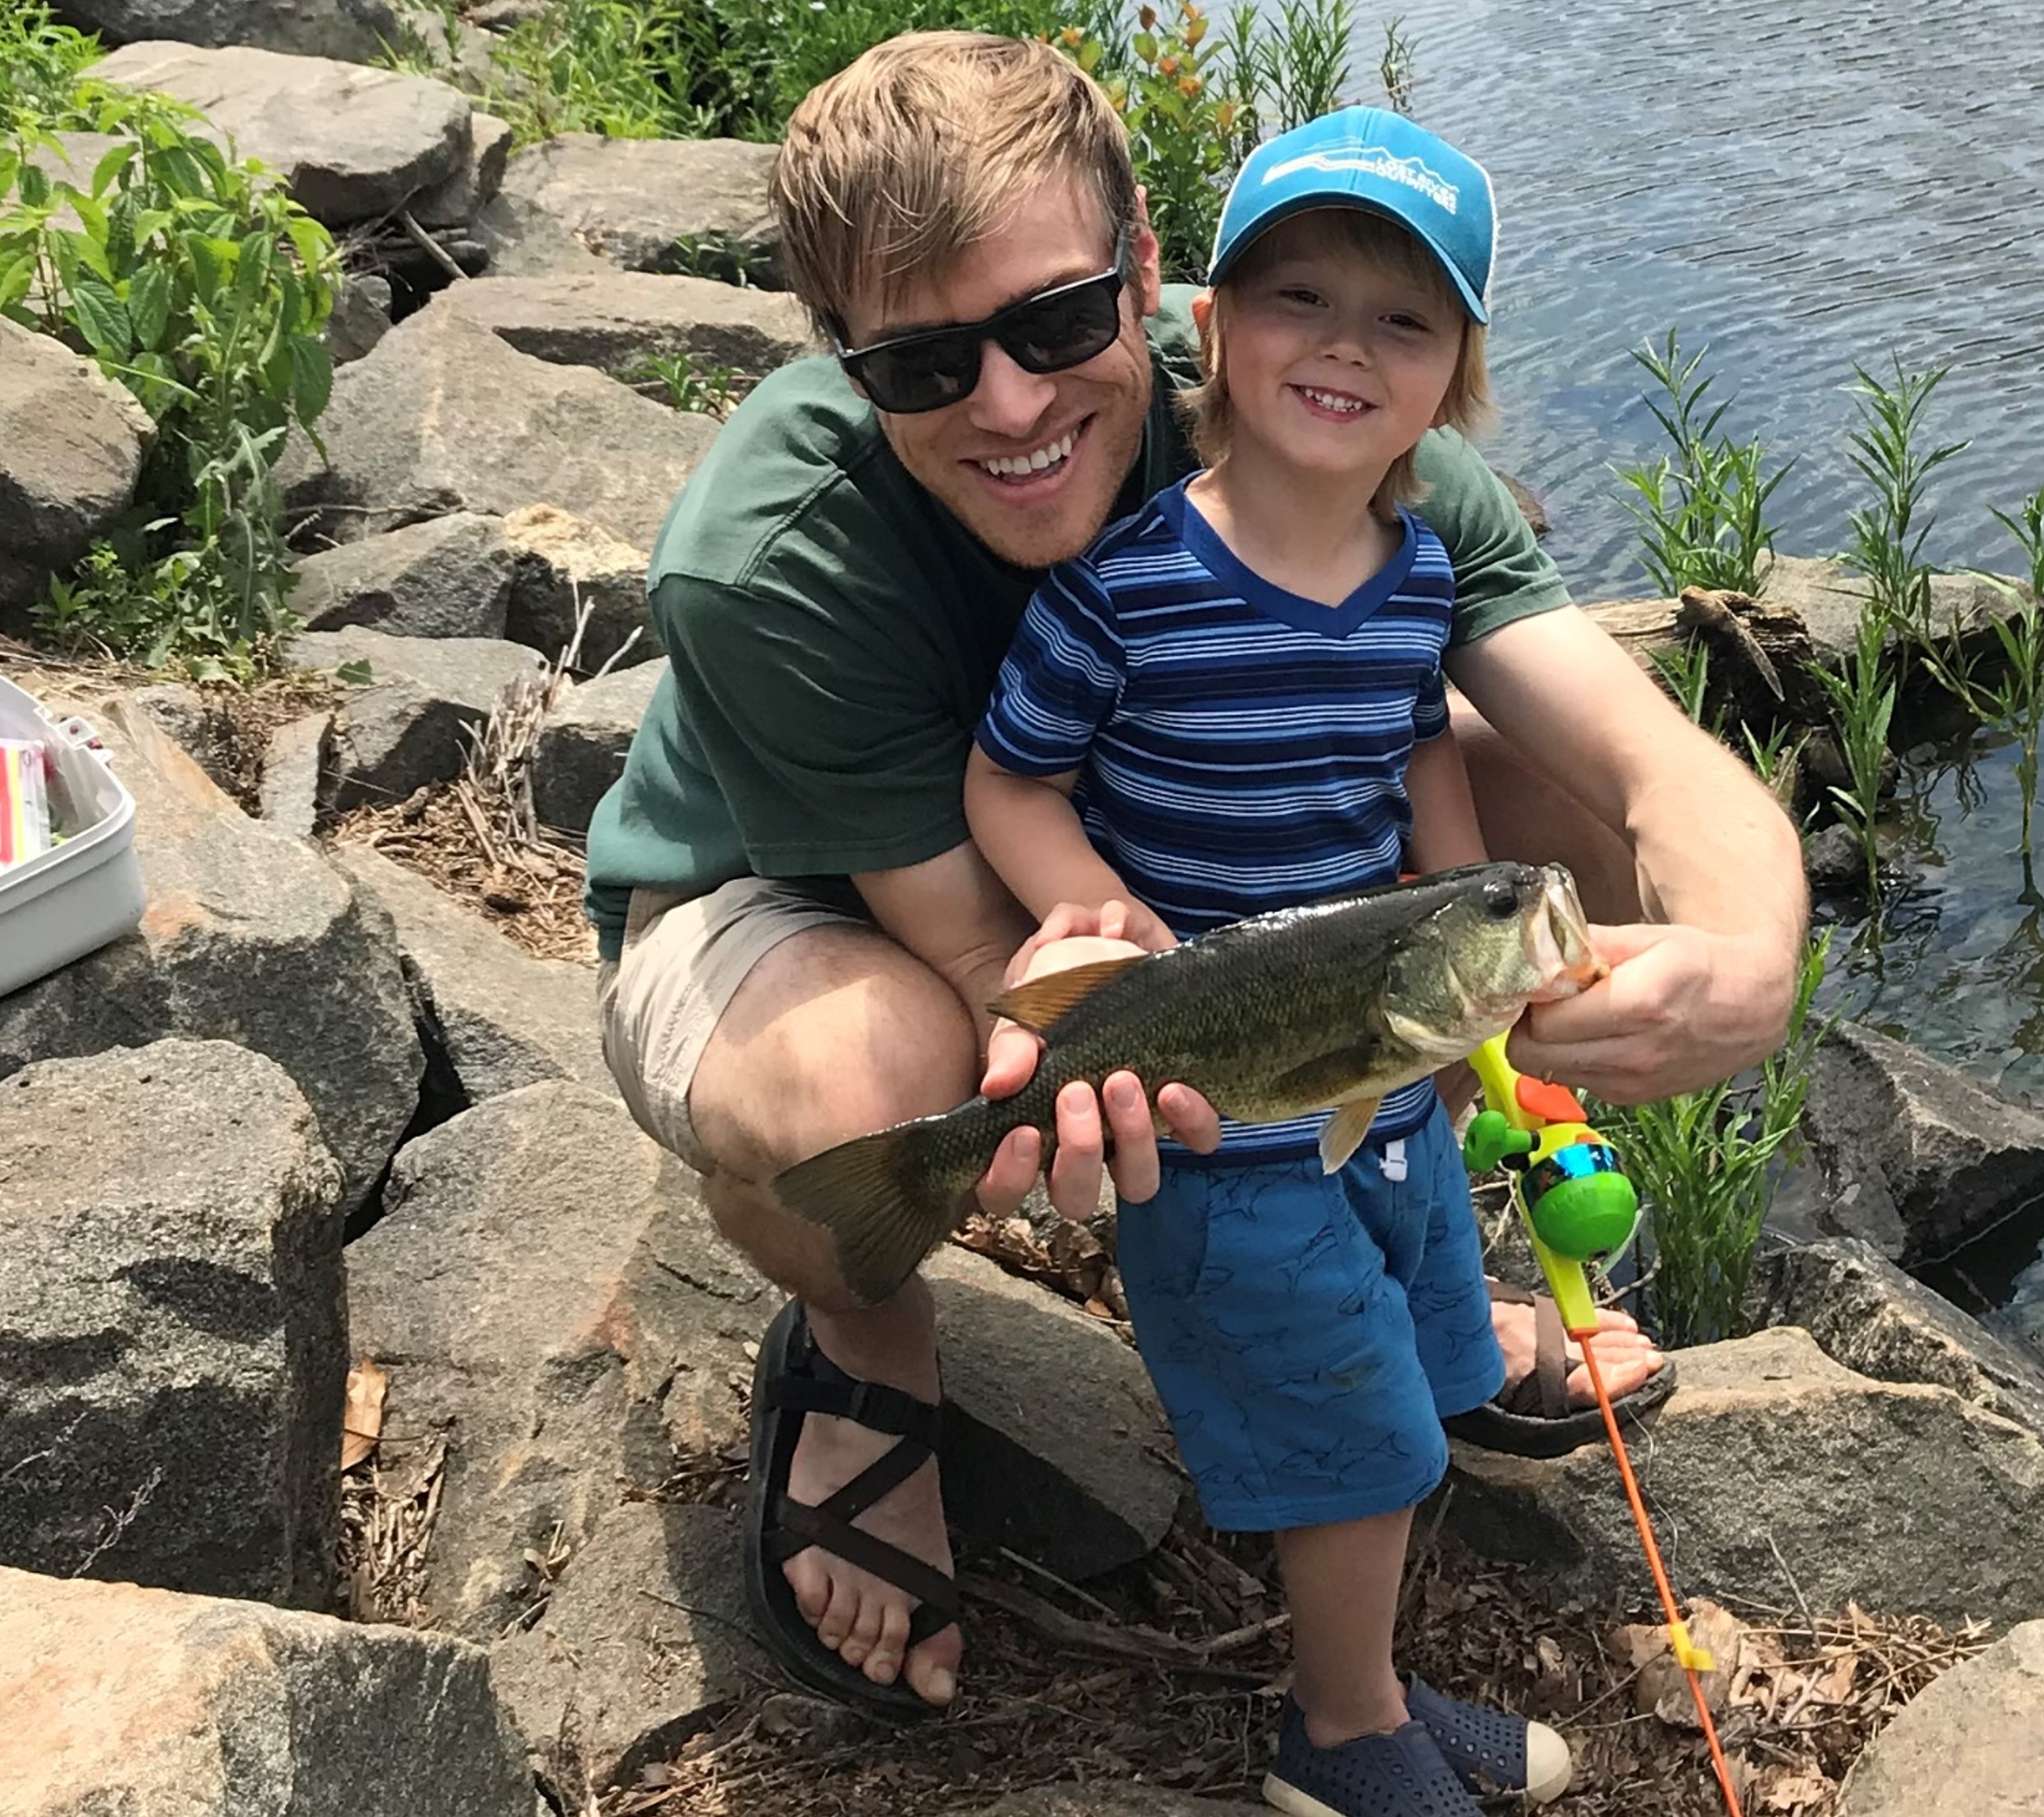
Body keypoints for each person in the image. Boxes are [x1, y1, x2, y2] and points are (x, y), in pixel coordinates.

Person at [584, 26, 1805, 1746]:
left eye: (1058, 323)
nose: (1007, 404)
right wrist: (1105, 1075)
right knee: (873, 1092)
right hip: (804, 891)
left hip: (1160, 900)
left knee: (1523, 806)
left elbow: (1645, 761)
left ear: (1148, 277)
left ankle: (1403, 1255)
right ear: (840, 354)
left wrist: (1753, 958)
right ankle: (866, 1347)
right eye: (921, 363)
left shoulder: (1332, 420)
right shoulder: (767, 551)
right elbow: (969, 936)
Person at [965, 106, 1581, 1815]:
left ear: (1454, 374)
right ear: (1209, 332)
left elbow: (1419, 766)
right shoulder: (1126, 589)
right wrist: (1092, 913)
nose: (1344, 346)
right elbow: (1008, 775)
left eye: (1404, 321)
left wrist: (1481, 991)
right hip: (1211, 1100)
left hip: (1378, 1068)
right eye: (1299, 296)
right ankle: (1338, 1731)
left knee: (1427, 1355)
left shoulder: (1417, 577)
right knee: (1347, 1426)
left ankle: (1371, 1673)